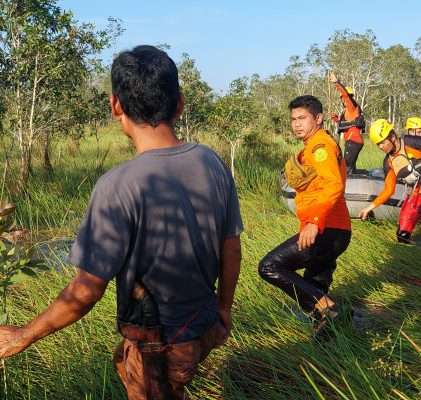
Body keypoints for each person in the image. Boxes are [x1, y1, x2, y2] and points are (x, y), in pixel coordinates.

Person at [0, 45, 243, 400]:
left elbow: (85, 291)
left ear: (116, 106)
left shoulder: (118, 185)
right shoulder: (211, 161)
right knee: (135, 367)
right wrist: (223, 309)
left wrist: (22, 335)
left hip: (159, 344)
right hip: (202, 326)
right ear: (180, 103)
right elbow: (231, 246)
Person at [259, 95, 351, 334]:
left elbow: (333, 185)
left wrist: (314, 222)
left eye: (302, 118)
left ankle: (330, 308)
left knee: (269, 266)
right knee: (313, 289)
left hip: (327, 229)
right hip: (333, 230)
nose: (296, 124)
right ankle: (332, 340)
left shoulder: (321, 147)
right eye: (293, 119)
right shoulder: (313, 146)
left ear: (318, 119)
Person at [328, 72, 365, 175]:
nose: (343, 99)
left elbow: (346, 95)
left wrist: (336, 83)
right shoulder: (347, 111)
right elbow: (346, 125)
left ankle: (346, 188)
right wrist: (336, 119)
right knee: (351, 169)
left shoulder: (352, 106)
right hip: (352, 142)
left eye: (343, 97)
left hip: (353, 141)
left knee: (346, 169)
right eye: (341, 98)